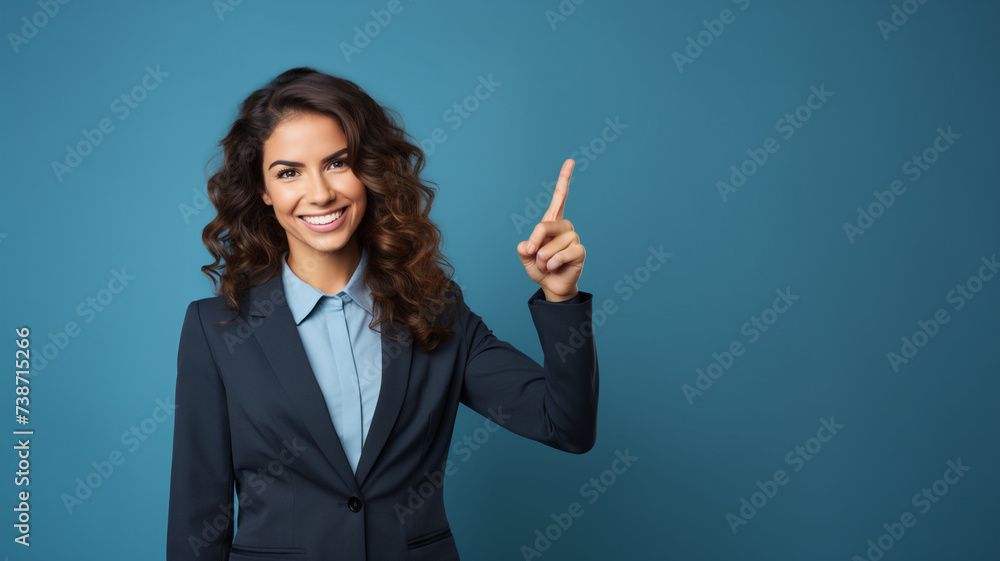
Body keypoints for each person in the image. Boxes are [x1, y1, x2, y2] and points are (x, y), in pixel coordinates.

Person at [166, 67, 599, 561]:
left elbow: (565, 426)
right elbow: (198, 514)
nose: (320, 193)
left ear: (370, 170)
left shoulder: (436, 310)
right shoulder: (216, 328)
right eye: (289, 172)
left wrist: (562, 298)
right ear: (263, 190)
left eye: (337, 163)